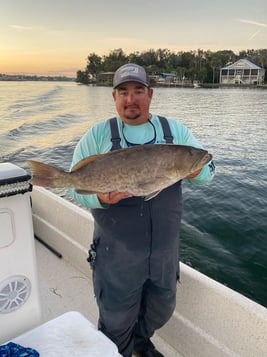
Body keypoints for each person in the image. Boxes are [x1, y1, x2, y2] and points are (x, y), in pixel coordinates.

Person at [69, 63, 215, 357]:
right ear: (114, 97)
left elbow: (209, 168)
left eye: (138, 91)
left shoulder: (175, 131)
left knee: (162, 306)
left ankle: (140, 341)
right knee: (115, 317)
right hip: (117, 254)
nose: (130, 99)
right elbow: (75, 186)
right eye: (123, 92)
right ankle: (118, 349)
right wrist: (101, 198)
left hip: (164, 251)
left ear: (150, 94)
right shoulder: (97, 136)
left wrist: (191, 171)